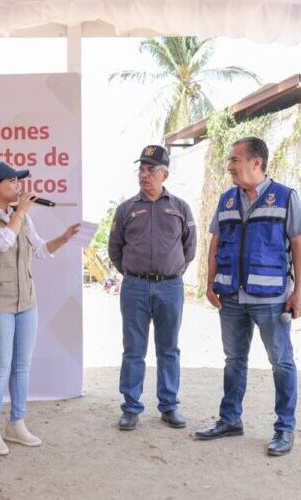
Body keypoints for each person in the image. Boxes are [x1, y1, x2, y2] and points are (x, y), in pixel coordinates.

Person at [194, 136, 301, 457]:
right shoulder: (226, 200)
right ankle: (230, 419)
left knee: (281, 363)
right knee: (233, 361)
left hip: (272, 299)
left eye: (235, 159)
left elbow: (300, 248)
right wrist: (209, 283)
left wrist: (299, 293)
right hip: (231, 297)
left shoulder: (286, 197)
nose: (229, 165)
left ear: (256, 162)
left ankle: (284, 428)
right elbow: (214, 245)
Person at [0, 162, 80, 455]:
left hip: (26, 302)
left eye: (20, 182)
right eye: (13, 181)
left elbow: (40, 251)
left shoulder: (22, 218)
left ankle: (16, 423)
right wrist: (19, 213)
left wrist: (64, 238)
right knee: (0, 367)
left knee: (21, 366)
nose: (19, 186)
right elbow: (2, 243)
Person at [108, 144, 197, 431]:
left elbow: (189, 247)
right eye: (141, 170)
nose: (144, 175)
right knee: (133, 349)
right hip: (134, 286)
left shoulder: (180, 208)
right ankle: (131, 407)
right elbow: (115, 249)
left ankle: (169, 406)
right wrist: (133, 274)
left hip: (170, 287)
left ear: (165, 174)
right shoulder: (126, 210)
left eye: (151, 170)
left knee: (168, 348)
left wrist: (172, 272)